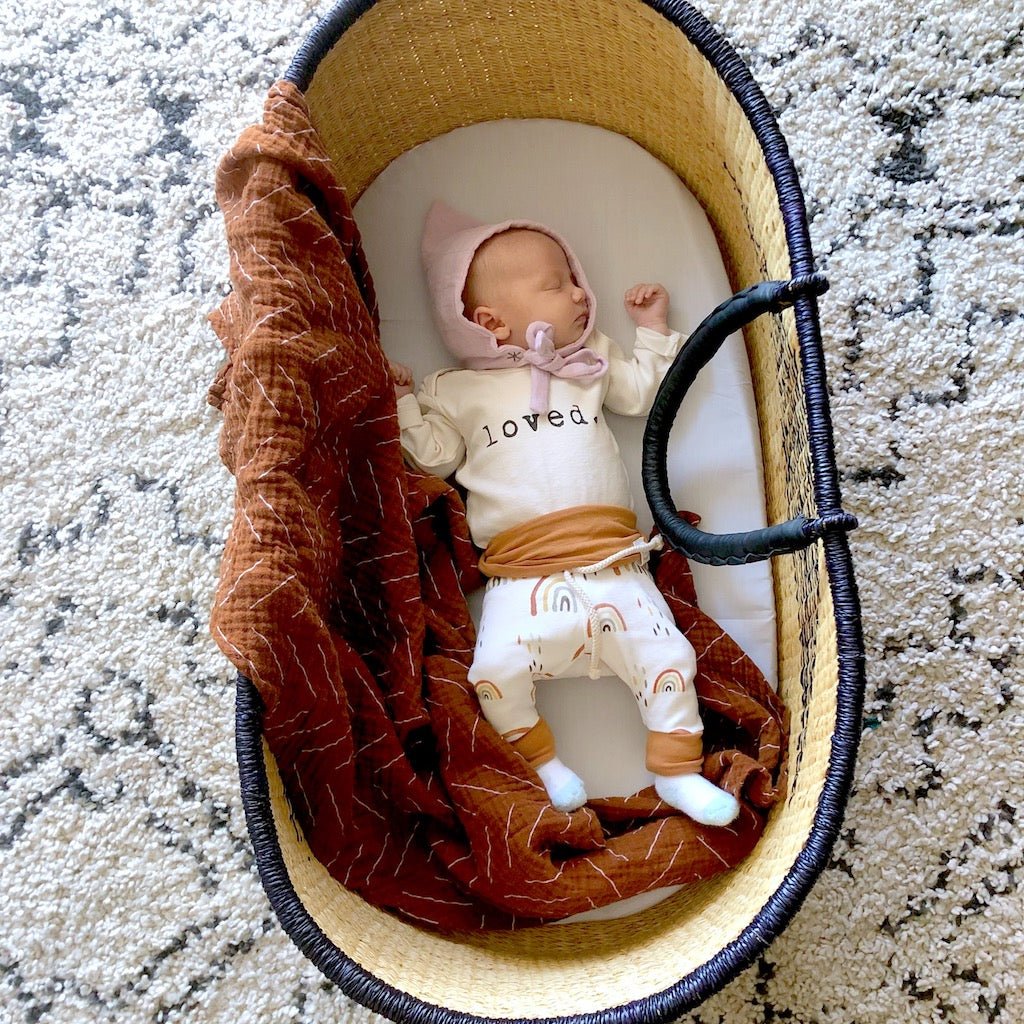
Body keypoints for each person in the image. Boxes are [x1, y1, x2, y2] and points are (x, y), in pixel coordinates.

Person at [388, 199, 739, 826]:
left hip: (614, 564)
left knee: (669, 660)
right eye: (557, 283)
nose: (581, 293)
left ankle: (677, 771)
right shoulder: (455, 389)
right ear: (491, 321)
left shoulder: (589, 360)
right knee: (493, 672)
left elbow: (644, 394)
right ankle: (547, 767)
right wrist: (402, 401)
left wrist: (653, 329)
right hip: (522, 575)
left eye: (577, 279)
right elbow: (434, 458)